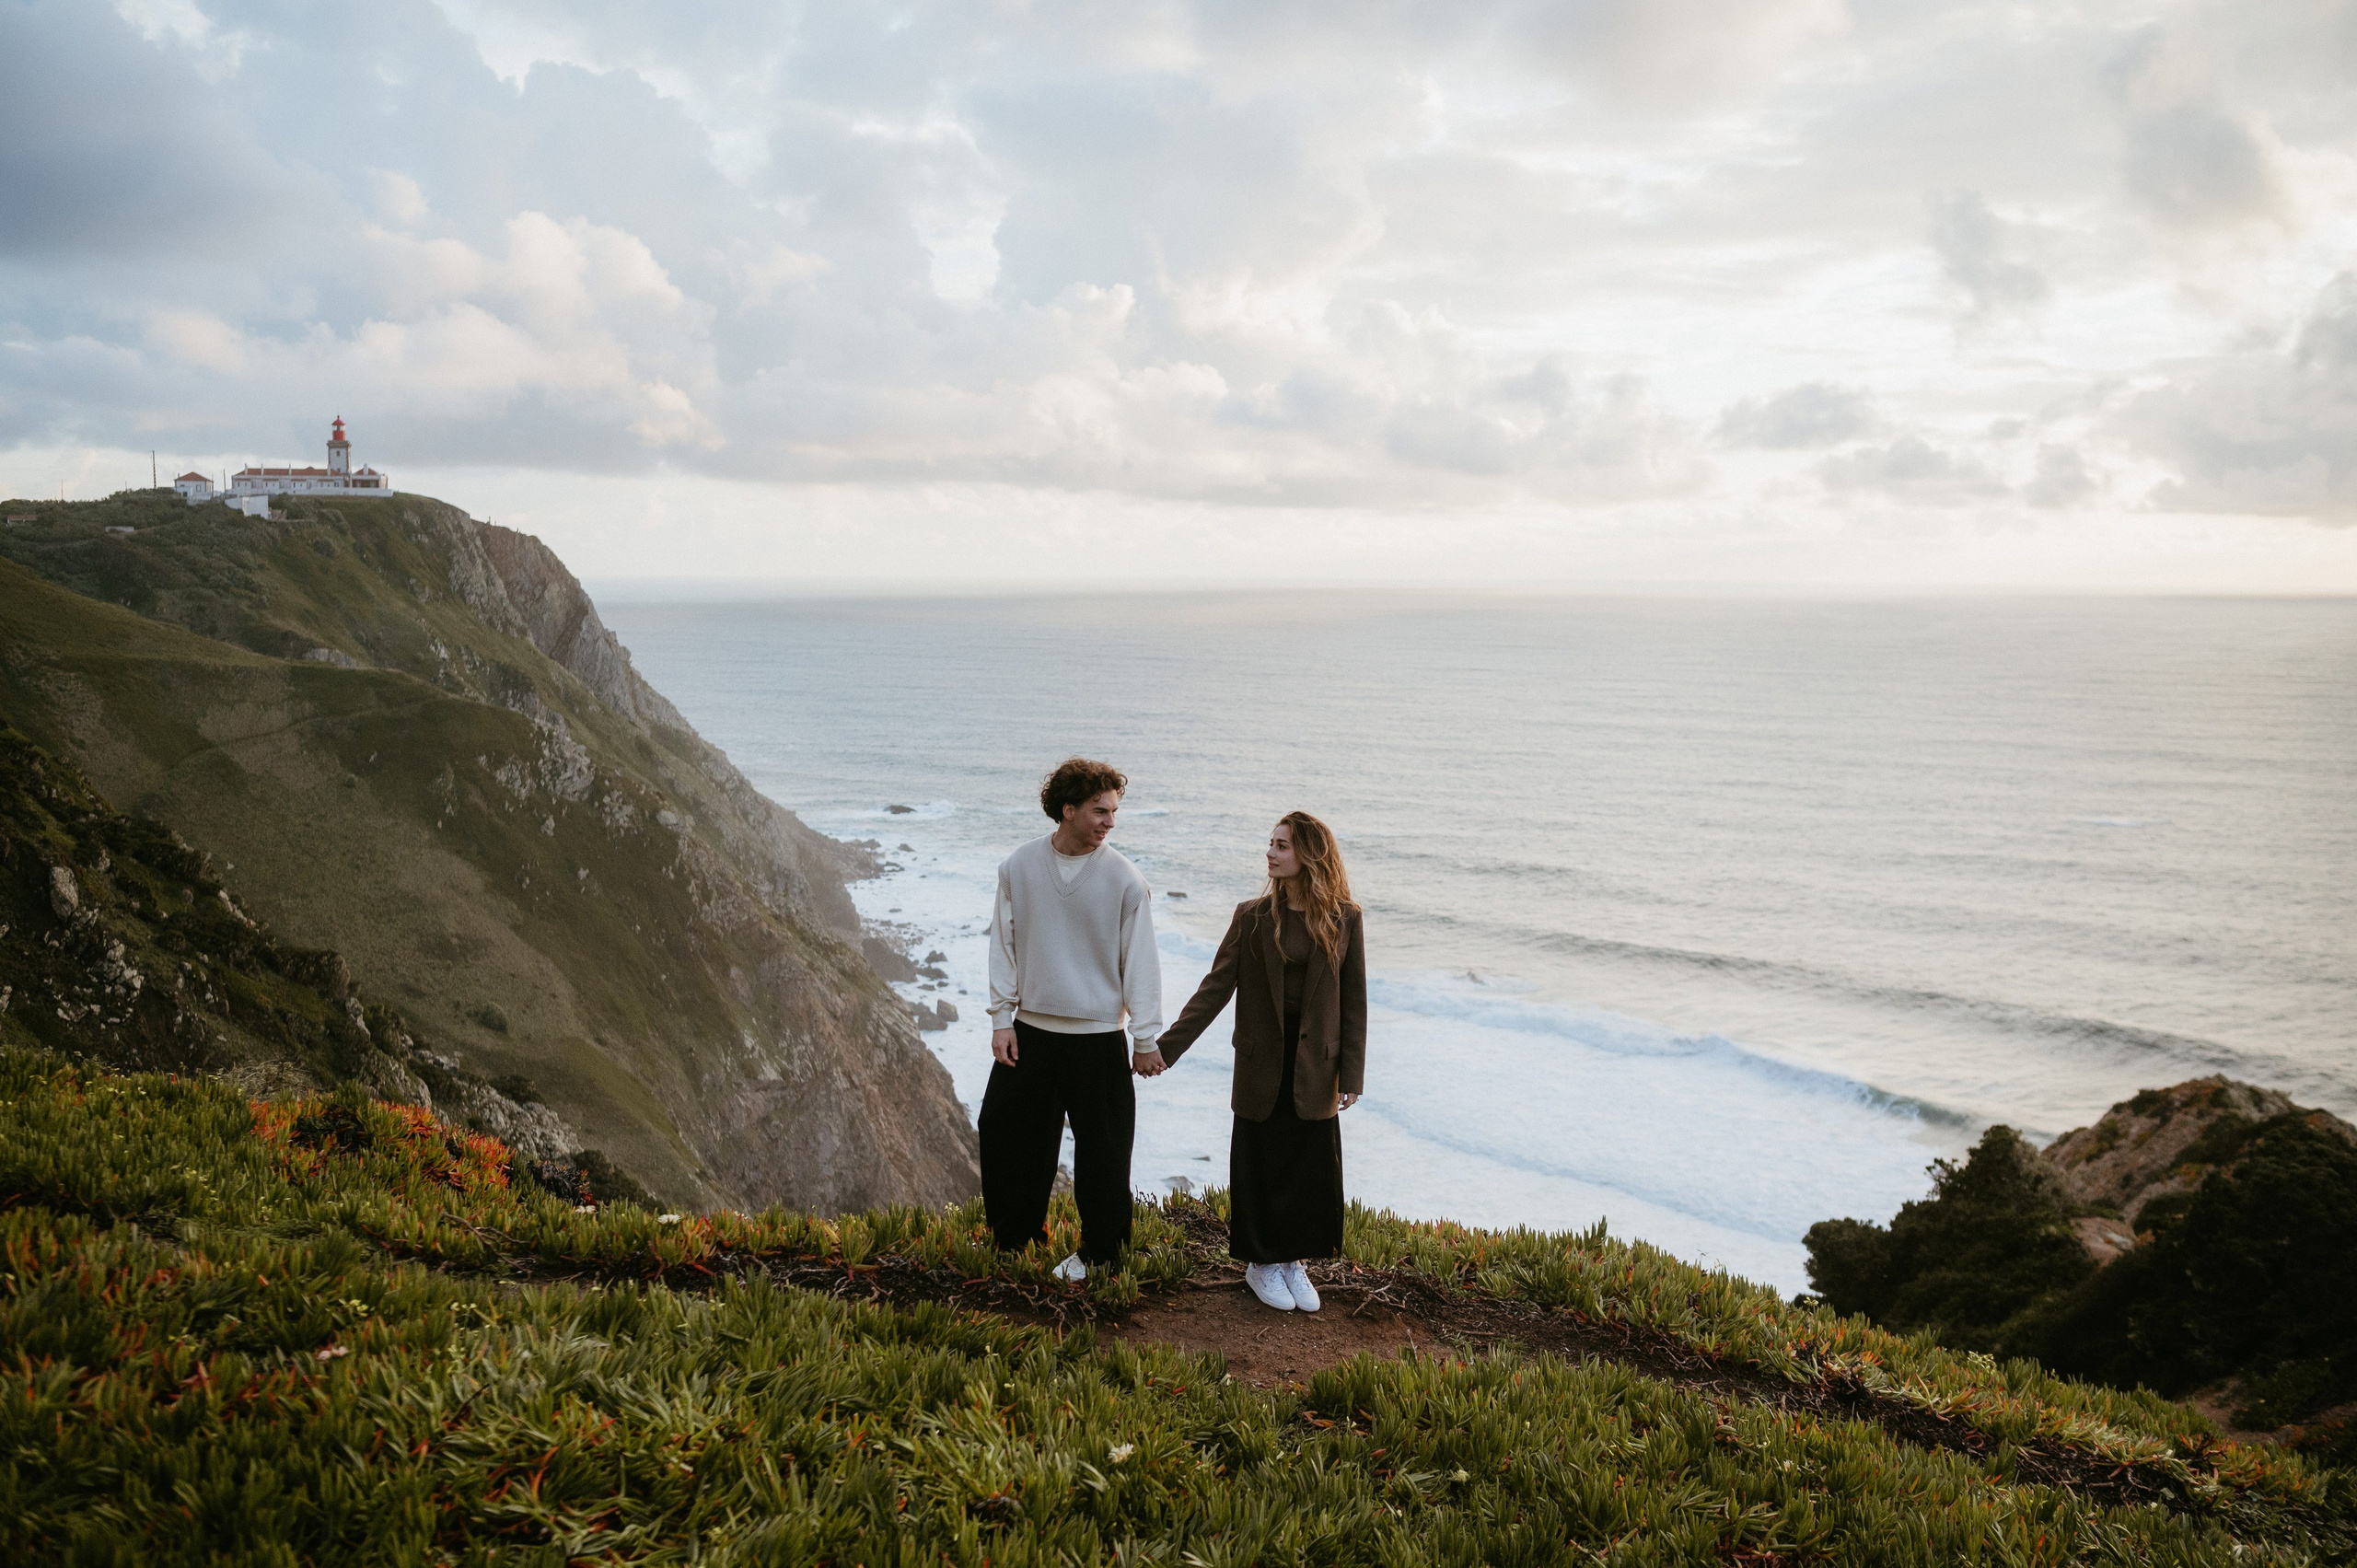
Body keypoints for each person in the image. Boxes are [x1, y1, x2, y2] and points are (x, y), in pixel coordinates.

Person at [1145, 811, 1364, 1312]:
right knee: (1260, 1160)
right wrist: (1165, 1049)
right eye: (1271, 843)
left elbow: (1354, 1001)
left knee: (1307, 1165)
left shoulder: (1345, 918)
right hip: (1261, 1061)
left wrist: (1352, 1074)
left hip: (1317, 1065)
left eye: (1282, 845)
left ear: (1309, 854)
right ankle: (1260, 1263)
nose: (1270, 852)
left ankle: (1291, 1260)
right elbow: (1215, 989)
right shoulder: (1252, 916)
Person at [982, 757, 1165, 1281]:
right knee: (1004, 1135)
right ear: (1067, 809)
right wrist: (1001, 1018)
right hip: (1031, 1033)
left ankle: (1102, 1254)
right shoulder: (1018, 867)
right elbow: (1003, 946)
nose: (1110, 822)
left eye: (1114, 812)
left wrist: (1145, 1038)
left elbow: (1141, 964)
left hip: (1098, 1039)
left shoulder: (1126, 880)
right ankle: (1013, 1242)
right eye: (1100, 811)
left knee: (1105, 1153)